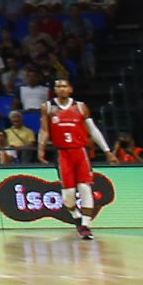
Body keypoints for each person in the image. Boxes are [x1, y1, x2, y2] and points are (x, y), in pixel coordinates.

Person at [37, 77, 111, 240]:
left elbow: (93, 130)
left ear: (70, 89)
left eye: (64, 86)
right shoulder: (48, 107)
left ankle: (86, 225)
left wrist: (107, 150)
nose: (62, 89)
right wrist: (40, 148)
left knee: (85, 188)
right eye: (58, 86)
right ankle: (76, 216)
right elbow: (44, 130)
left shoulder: (81, 107)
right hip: (62, 153)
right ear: (54, 90)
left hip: (80, 151)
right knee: (68, 195)